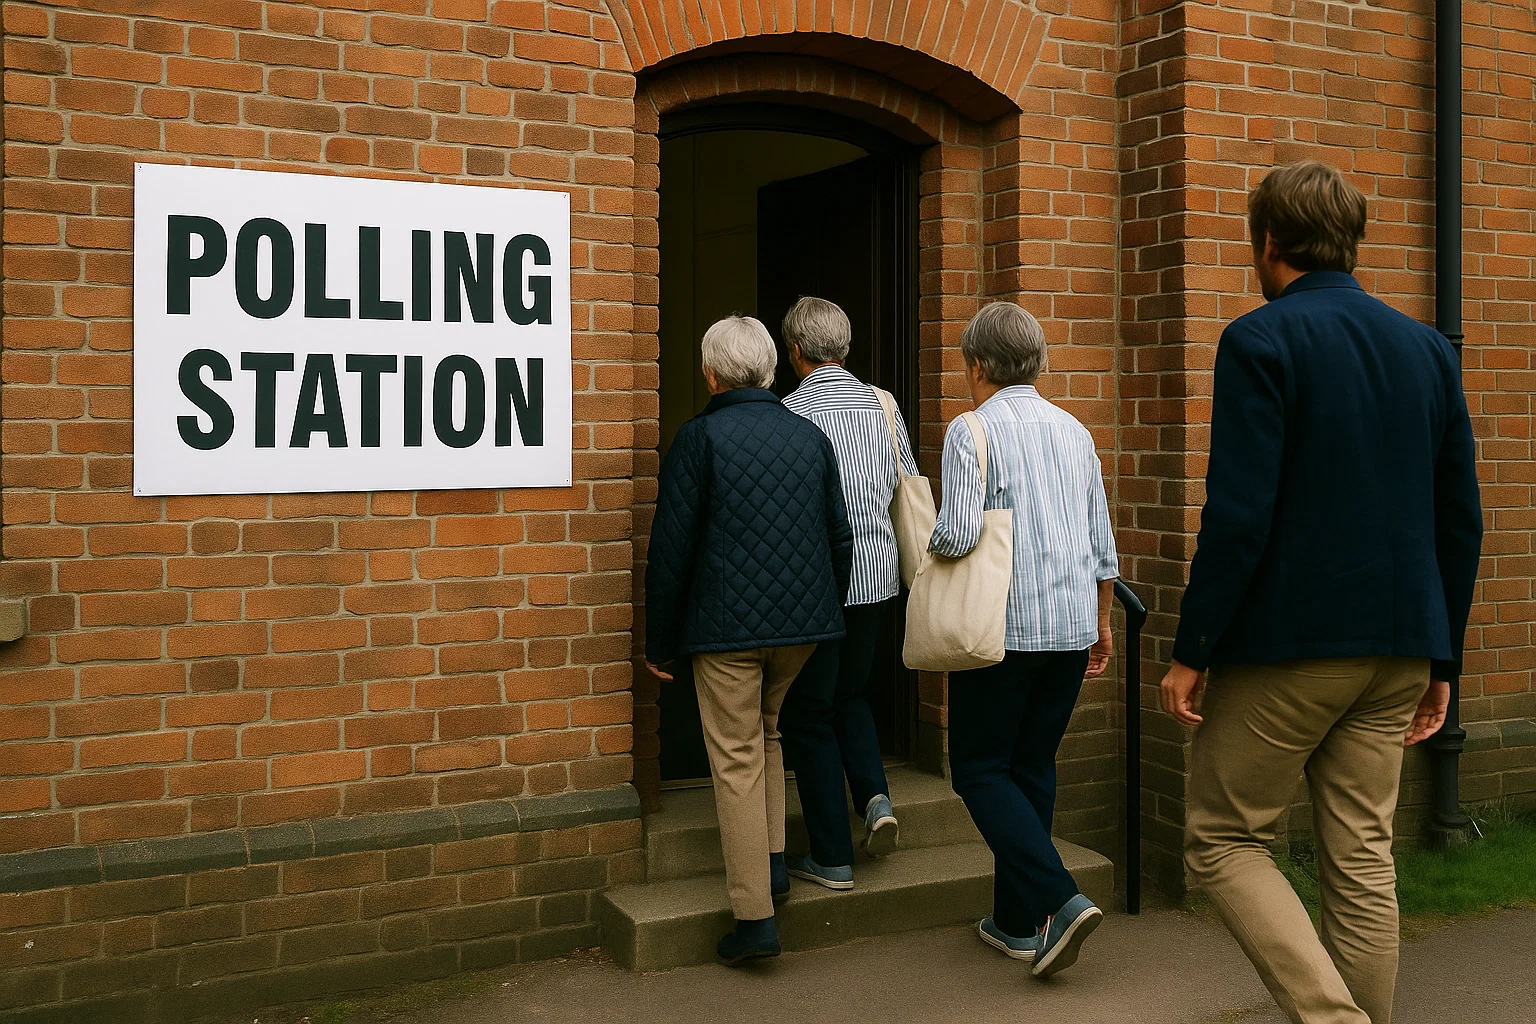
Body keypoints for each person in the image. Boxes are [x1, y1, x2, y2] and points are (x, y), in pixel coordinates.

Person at [1161, 161, 1483, 1024]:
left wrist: (1193, 650)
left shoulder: (1260, 339)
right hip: (1401, 647)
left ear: (1268, 241)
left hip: (1292, 645)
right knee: (1363, 861)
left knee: (1224, 838)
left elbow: (1238, 517)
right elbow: (1461, 519)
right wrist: (1441, 656)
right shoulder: (1426, 348)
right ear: (1351, 239)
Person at [644, 315, 854, 965]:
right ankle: (773, 867)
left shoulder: (698, 439)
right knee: (767, 736)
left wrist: (660, 642)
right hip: (804, 629)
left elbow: (670, 551)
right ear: (767, 369)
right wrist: (820, 607)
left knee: (736, 758)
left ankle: (755, 920)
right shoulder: (809, 436)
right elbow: (840, 537)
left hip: (727, 632)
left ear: (710, 374)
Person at [930, 301, 1120, 977]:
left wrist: (917, 536)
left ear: (978, 364)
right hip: (1069, 627)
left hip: (1000, 631)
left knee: (979, 770)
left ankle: (1060, 900)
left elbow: (955, 534)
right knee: (1033, 767)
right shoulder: (1075, 432)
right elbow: (1103, 544)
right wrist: (1102, 624)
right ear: (1037, 362)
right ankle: (1017, 923)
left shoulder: (969, 431)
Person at [778, 296, 916, 891]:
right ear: (846, 346)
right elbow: (904, 481)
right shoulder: (884, 406)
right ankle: (877, 799)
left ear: (796, 351)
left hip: (817, 584)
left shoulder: (788, 414)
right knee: (852, 694)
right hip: (878, 577)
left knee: (808, 714)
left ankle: (831, 856)